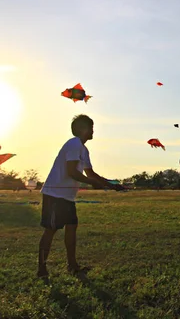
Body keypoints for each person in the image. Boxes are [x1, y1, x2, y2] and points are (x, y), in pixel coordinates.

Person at [38, 115, 124, 280]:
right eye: (91, 127)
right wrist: (92, 182)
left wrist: (111, 185)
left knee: (72, 227)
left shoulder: (83, 150)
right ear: (82, 129)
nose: (93, 131)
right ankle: (41, 269)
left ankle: (72, 266)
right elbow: (72, 172)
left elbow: (90, 173)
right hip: (55, 194)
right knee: (50, 230)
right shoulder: (73, 144)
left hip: (67, 197)